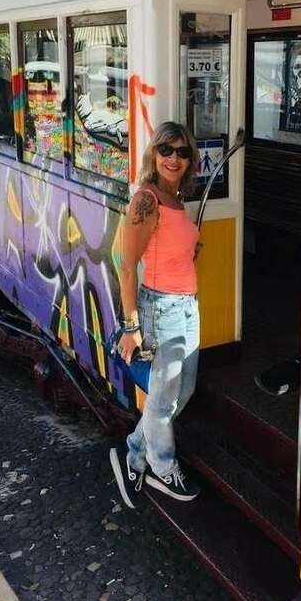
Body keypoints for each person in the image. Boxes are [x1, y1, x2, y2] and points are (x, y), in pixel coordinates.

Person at [109, 121, 202, 508]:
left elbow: (170, 246)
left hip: (187, 307)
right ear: (153, 154)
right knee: (162, 402)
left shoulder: (175, 198)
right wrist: (131, 326)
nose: (174, 158)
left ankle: (133, 450)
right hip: (160, 310)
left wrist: (189, 248)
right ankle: (163, 469)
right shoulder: (146, 199)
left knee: (184, 392)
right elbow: (128, 267)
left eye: (182, 152)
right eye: (166, 149)